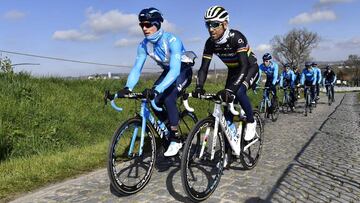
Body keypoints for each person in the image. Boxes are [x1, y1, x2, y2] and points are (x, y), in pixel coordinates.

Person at [110, 7, 196, 157]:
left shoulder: (172, 40)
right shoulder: (143, 45)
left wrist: (158, 88)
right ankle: (169, 126)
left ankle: (175, 138)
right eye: (141, 25)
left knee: (169, 97)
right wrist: (127, 87)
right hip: (168, 71)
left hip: (182, 70)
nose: (144, 28)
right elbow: (137, 68)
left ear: (157, 24)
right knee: (154, 100)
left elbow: (175, 71)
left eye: (148, 24)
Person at [192, 5, 259, 165]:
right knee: (226, 107)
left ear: (225, 24)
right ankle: (230, 148)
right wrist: (199, 87)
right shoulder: (210, 43)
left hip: (249, 68)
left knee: (240, 92)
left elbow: (243, 66)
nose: (210, 28)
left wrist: (230, 89)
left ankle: (251, 121)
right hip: (233, 71)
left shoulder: (237, 37)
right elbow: (203, 68)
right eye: (207, 24)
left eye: (215, 24)